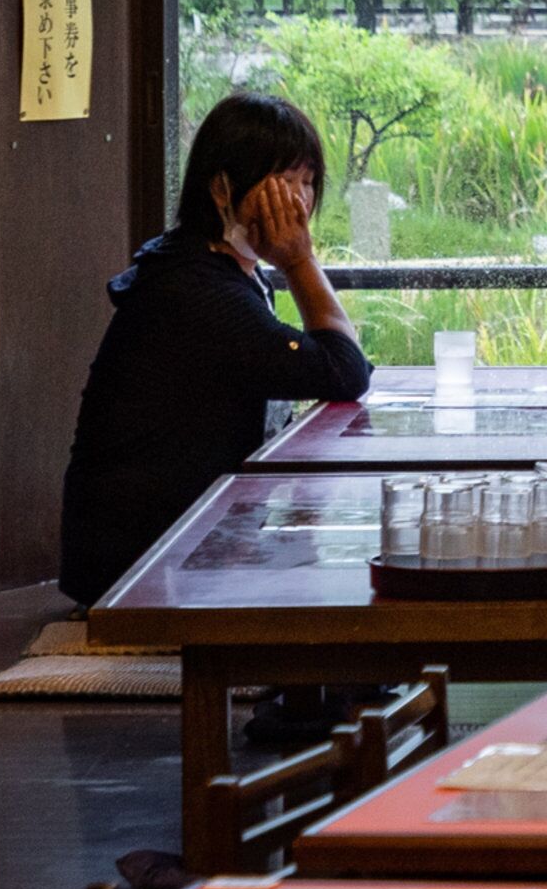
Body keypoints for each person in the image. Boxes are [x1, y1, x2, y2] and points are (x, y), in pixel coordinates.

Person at [59, 94, 371, 609]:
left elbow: (338, 359)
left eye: (307, 183)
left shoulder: (220, 271)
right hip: (138, 564)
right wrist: (299, 261)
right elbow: (343, 369)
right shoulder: (194, 289)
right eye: (281, 185)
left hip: (179, 540)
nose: (297, 205)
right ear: (222, 188)